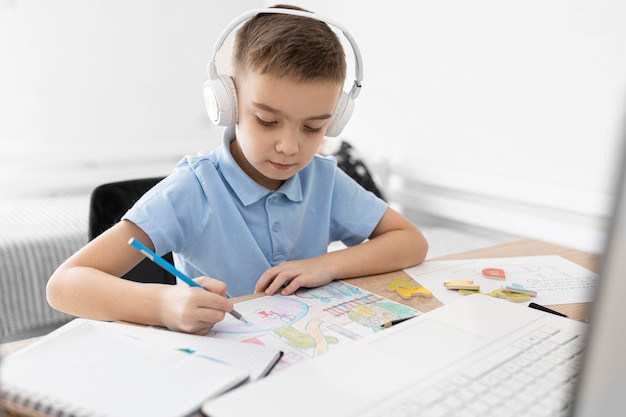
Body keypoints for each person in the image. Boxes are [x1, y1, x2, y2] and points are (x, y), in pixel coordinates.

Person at [47, 4, 428, 335]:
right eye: (266, 120)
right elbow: (65, 285)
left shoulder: (323, 179)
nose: (290, 146)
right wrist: (163, 304)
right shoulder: (192, 190)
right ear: (228, 104)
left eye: (314, 128)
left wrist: (325, 265)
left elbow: (411, 241)